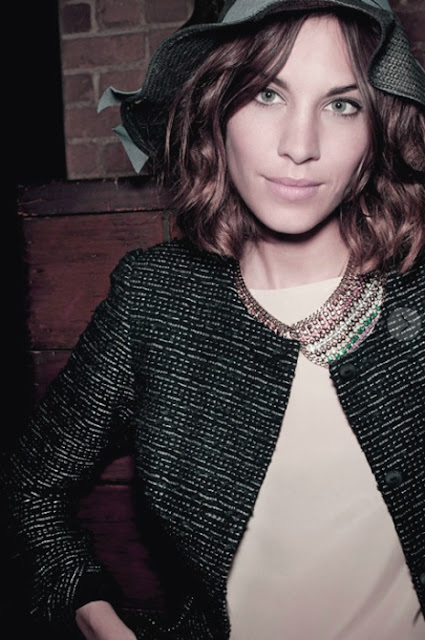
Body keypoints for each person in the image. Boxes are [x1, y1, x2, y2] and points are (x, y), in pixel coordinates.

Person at [2, 0, 424, 638]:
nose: (300, 146)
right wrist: (96, 616)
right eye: (267, 94)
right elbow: (28, 488)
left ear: (379, 129)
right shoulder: (154, 300)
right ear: (216, 110)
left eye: (342, 105)